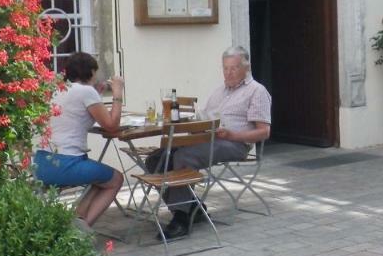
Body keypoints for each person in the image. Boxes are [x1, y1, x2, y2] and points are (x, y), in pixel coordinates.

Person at [147, 45, 271, 240]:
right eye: (225, 68)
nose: (228, 73)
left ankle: (181, 218)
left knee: (182, 156)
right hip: (209, 138)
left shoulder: (256, 91)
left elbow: (264, 132)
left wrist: (232, 135)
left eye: (234, 68)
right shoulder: (220, 91)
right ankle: (193, 206)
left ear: (246, 68)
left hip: (235, 144)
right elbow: (205, 117)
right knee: (157, 158)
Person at [34, 52, 125, 231]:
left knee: (98, 176)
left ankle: (77, 217)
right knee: (115, 179)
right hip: (66, 165)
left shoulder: (58, 89)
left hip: (42, 163)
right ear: (90, 72)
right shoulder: (86, 91)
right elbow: (112, 126)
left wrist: (95, 93)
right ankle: (79, 233)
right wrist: (117, 93)